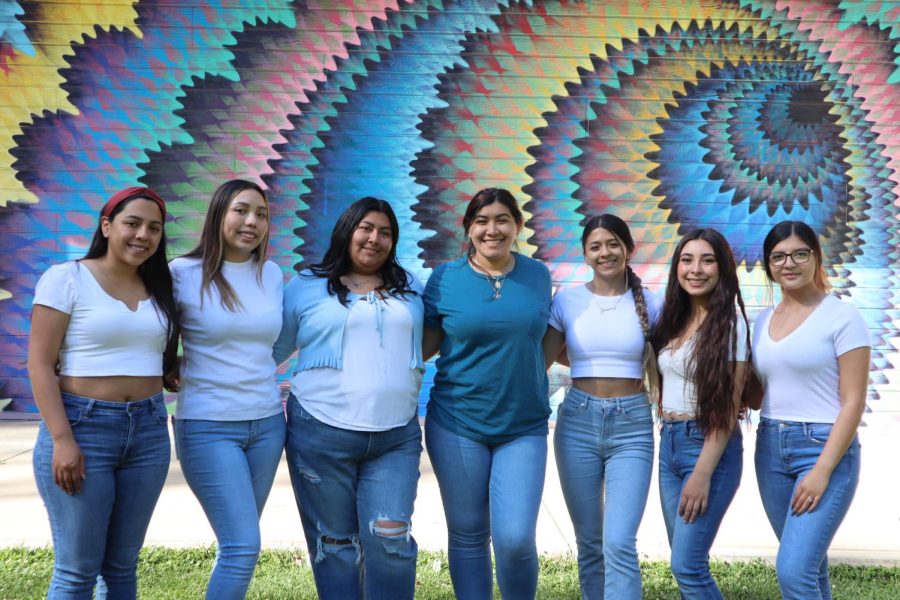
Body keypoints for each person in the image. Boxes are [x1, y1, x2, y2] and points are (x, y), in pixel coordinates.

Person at [28, 187, 179, 599]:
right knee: (77, 570)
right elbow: (40, 364)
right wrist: (62, 439)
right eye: (132, 223)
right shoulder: (67, 278)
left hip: (148, 432)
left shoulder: (160, 289)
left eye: (154, 228)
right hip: (83, 428)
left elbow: (149, 355)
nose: (143, 235)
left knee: (121, 568)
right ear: (107, 225)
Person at [273, 197, 424, 600]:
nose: (375, 239)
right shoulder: (306, 285)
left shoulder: (411, 289)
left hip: (395, 437)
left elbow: (435, 339)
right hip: (319, 434)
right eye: (366, 228)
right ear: (347, 231)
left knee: (390, 539)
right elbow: (273, 349)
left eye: (386, 232)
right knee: (335, 546)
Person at [422, 187, 552, 599]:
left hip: (523, 426)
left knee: (514, 539)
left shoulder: (537, 275)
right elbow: (422, 348)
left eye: (501, 220)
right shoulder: (444, 279)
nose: (491, 229)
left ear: (517, 226)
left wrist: (521, 376)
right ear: (468, 228)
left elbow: (543, 341)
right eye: (481, 221)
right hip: (457, 423)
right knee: (467, 535)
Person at [169, 179, 285, 599]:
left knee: (238, 542)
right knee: (243, 546)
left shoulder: (270, 273)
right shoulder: (181, 273)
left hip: (269, 425)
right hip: (207, 426)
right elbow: (149, 332)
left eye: (261, 214)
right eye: (241, 210)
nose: (251, 221)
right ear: (219, 213)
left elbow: (274, 341)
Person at [542, 214, 662, 599]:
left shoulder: (654, 303)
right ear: (585, 254)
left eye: (612, 244)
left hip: (633, 425)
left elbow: (671, 362)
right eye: (595, 246)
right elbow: (540, 359)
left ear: (629, 249)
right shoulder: (567, 301)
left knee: (619, 543)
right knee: (590, 543)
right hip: (577, 421)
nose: (604, 252)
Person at [753, 221, 870, 600]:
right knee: (810, 569)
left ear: (816, 257)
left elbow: (853, 402)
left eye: (799, 253)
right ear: (769, 264)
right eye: (778, 256)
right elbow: (757, 393)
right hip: (770, 447)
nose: (789, 263)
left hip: (824, 450)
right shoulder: (761, 321)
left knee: (794, 572)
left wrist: (822, 471)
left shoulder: (843, 317)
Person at [653, 228, 750, 599]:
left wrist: (702, 473)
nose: (696, 269)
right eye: (687, 259)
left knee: (688, 566)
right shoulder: (673, 318)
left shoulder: (730, 323)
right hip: (670, 445)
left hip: (708, 447)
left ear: (722, 268)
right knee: (685, 560)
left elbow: (727, 407)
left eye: (707, 260)